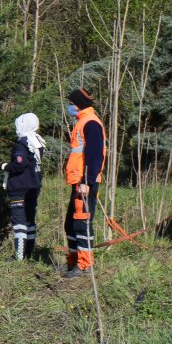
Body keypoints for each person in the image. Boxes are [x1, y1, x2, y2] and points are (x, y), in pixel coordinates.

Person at [64, 87, 106, 279]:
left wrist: (86, 182)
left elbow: (95, 156)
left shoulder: (91, 123)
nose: (69, 107)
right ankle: (73, 262)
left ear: (78, 104)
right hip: (78, 182)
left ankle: (84, 266)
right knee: (71, 224)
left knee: (82, 223)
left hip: (85, 183)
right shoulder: (83, 121)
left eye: (71, 103)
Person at [3, 113, 45, 261]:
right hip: (34, 185)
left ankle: (19, 257)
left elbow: (19, 164)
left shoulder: (22, 144)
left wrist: (6, 166)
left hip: (19, 187)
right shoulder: (38, 142)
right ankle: (28, 254)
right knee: (30, 220)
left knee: (19, 222)